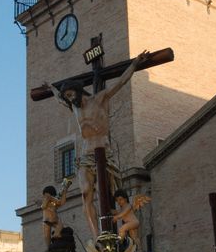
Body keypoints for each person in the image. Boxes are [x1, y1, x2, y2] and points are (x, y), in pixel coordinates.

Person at [50, 50, 149, 238]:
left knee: (113, 196)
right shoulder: (74, 107)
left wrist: (135, 64)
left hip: (105, 154)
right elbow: (58, 98)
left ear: (78, 91)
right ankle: (98, 238)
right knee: (86, 194)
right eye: (68, 97)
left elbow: (121, 82)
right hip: (86, 156)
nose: (70, 99)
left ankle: (125, 237)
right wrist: (51, 88)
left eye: (71, 94)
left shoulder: (100, 98)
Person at [41, 179, 71, 245]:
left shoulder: (52, 202)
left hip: (48, 219)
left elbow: (61, 202)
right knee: (58, 226)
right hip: (51, 218)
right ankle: (56, 235)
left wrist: (64, 192)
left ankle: (50, 244)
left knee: (48, 233)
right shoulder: (50, 200)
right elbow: (44, 206)